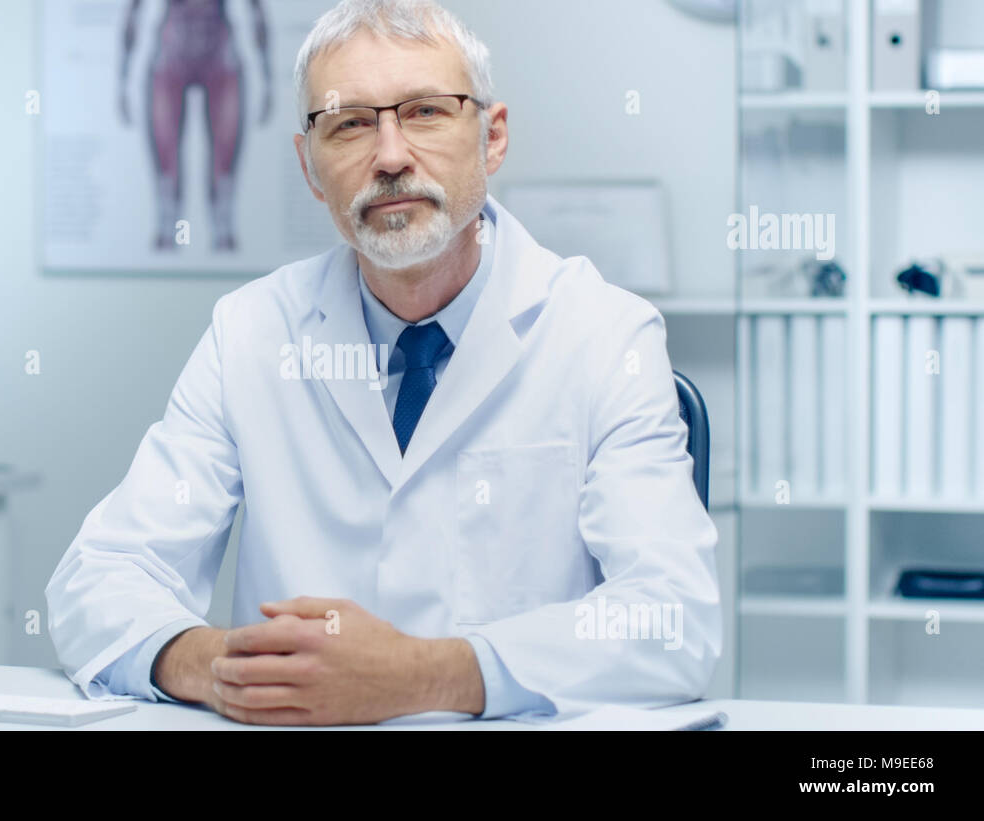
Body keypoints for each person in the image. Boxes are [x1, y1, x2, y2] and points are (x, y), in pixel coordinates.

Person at [50, 0, 720, 725]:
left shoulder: (604, 333)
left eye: (426, 112)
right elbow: (98, 578)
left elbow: (671, 617)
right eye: (349, 124)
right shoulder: (249, 332)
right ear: (310, 166)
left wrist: (423, 676)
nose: (392, 156)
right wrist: (220, 669)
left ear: (492, 137)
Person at [117, 0, 272, 250]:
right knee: (165, 146)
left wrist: (267, 80)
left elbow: (256, 10)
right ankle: (169, 226)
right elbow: (134, 11)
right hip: (172, 49)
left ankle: (223, 227)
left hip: (218, 50)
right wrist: (122, 81)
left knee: (225, 149)